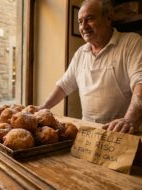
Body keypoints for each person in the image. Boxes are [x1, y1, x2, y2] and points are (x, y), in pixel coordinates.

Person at [40, 0, 142, 134]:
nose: (83, 26)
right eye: (80, 22)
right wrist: (42, 108)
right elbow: (64, 85)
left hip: (121, 132)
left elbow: (140, 82)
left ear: (108, 18)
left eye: (89, 19)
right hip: (87, 132)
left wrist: (129, 119)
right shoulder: (81, 53)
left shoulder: (131, 42)